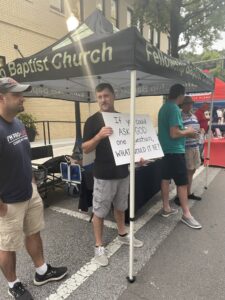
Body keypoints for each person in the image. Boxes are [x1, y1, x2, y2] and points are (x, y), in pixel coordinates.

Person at [0, 77, 68, 300]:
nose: (23, 98)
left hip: (29, 193)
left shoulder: (19, 124)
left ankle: (41, 271)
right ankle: (13, 284)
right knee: (7, 245)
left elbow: (24, 155)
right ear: (2, 98)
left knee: (33, 232)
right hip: (8, 201)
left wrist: (31, 179)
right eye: (17, 95)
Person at [82, 83, 143, 267]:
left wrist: (139, 159)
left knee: (120, 207)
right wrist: (99, 136)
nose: (103, 100)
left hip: (123, 173)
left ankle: (122, 234)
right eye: (99, 96)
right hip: (103, 175)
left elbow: (130, 145)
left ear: (114, 96)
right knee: (99, 211)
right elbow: (85, 148)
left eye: (106, 96)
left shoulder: (123, 119)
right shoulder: (92, 121)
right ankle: (99, 246)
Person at [158, 84, 202, 229]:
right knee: (182, 183)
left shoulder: (164, 108)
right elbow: (174, 133)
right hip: (175, 151)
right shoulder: (174, 108)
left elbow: (171, 130)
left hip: (165, 150)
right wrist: (188, 131)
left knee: (165, 179)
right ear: (181, 95)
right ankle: (186, 214)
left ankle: (166, 208)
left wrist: (183, 129)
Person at [174, 96, 202, 206]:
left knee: (192, 171)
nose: (190, 105)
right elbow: (177, 131)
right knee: (184, 173)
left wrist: (200, 131)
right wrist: (188, 132)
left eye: (191, 104)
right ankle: (179, 196)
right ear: (183, 105)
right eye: (187, 104)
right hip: (186, 148)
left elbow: (196, 129)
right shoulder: (179, 115)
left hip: (195, 147)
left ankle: (188, 193)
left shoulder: (194, 116)